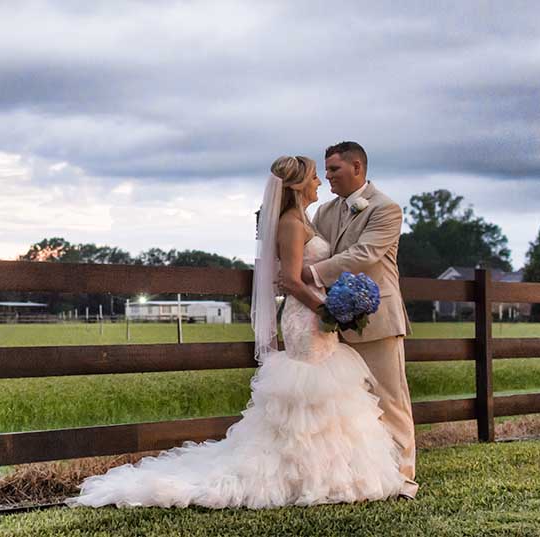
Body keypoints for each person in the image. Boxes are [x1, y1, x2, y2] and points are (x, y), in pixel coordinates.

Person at [65, 155, 404, 509]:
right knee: (309, 393)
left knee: (326, 393)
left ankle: (330, 473)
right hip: (305, 317)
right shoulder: (291, 222)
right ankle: (301, 474)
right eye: (315, 177)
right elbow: (289, 279)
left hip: (315, 315)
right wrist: (326, 308)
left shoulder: (305, 219)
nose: (320, 182)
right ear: (298, 184)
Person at [293, 141, 418, 499]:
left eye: (333, 169)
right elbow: (312, 244)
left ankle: (403, 479)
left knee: (390, 400)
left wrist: (308, 273)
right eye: (326, 170)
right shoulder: (325, 212)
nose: (327, 176)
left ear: (357, 167)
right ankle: (362, 478)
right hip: (333, 321)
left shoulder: (386, 208)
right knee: (349, 404)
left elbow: (364, 255)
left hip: (378, 319)